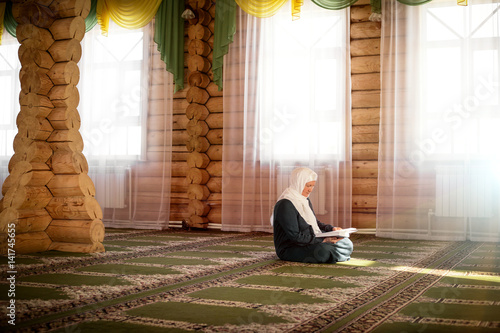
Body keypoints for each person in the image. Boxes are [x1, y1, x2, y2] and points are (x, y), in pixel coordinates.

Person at [271, 167, 353, 263]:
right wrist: (323, 240)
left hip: (310, 240)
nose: (310, 190)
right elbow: (295, 237)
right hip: (291, 247)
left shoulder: (304, 199)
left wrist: (331, 229)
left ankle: (333, 254)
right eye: (308, 185)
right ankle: (334, 254)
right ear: (298, 183)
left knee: (347, 243)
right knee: (323, 251)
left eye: (312, 186)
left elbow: (315, 223)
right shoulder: (285, 204)